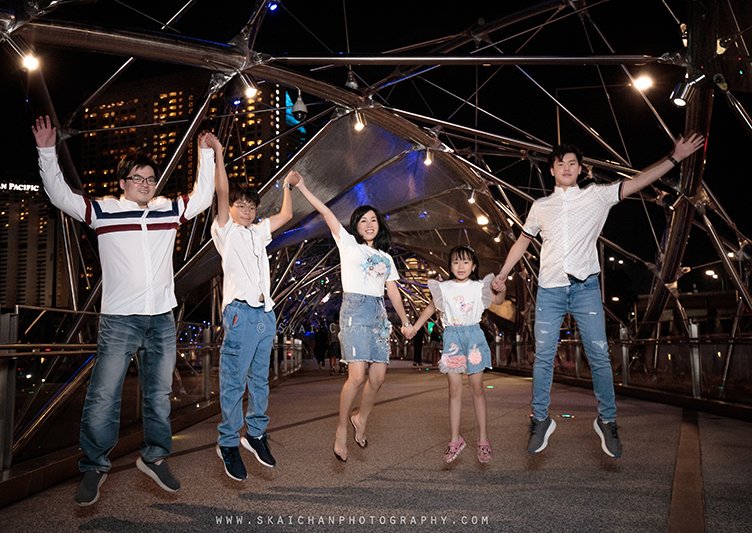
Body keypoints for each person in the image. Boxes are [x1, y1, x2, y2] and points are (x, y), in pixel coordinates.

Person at [32, 115, 220, 506]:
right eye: (138, 178)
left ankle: (154, 456)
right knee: (104, 394)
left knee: (158, 393)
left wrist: (204, 153)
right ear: (122, 183)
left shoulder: (168, 209)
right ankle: (95, 465)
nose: (146, 184)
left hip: (162, 318)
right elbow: (60, 195)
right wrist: (47, 151)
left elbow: (202, 197)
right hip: (120, 319)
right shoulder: (104, 211)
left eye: (151, 179)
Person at [491, 133, 705, 458]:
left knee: (599, 356)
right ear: (551, 170)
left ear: (580, 170)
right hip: (549, 289)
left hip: (585, 288)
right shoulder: (540, 207)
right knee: (544, 356)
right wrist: (504, 272)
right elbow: (522, 241)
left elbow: (637, 182)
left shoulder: (597, 197)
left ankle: (607, 420)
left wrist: (674, 158)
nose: (566, 167)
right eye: (560, 163)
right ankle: (539, 419)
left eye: (572, 163)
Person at [292, 177, 411, 462]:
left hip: (379, 314)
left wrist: (405, 321)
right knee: (356, 377)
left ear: (379, 225)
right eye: (363, 221)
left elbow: (393, 292)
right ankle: (342, 428)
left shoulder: (386, 258)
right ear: (355, 226)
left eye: (373, 220)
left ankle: (361, 418)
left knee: (378, 378)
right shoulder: (347, 244)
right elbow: (326, 212)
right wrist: (303, 186)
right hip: (355, 310)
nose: (369, 225)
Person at [211, 153, 301, 481]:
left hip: (265, 312)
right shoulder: (226, 230)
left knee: (259, 379)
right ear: (231, 209)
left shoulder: (258, 232)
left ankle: (256, 434)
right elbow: (222, 192)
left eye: (251, 207)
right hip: (239, 312)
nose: (247, 211)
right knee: (234, 379)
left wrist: (289, 186)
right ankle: (228, 442)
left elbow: (287, 214)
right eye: (241, 206)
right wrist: (219, 155)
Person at [406, 246, 505, 463]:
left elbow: (498, 301)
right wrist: (415, 328)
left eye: (466, 262)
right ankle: (455, 439)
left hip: (474, 337)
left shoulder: (480, 286)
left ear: (474, 266)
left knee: (477, 389)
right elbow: (431, 308)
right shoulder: (444, 288)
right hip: (452, 339)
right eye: (456, 262)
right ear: (450, 266)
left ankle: (483, 439)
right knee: (453, 390)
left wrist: (501, 287)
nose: (461, 267)